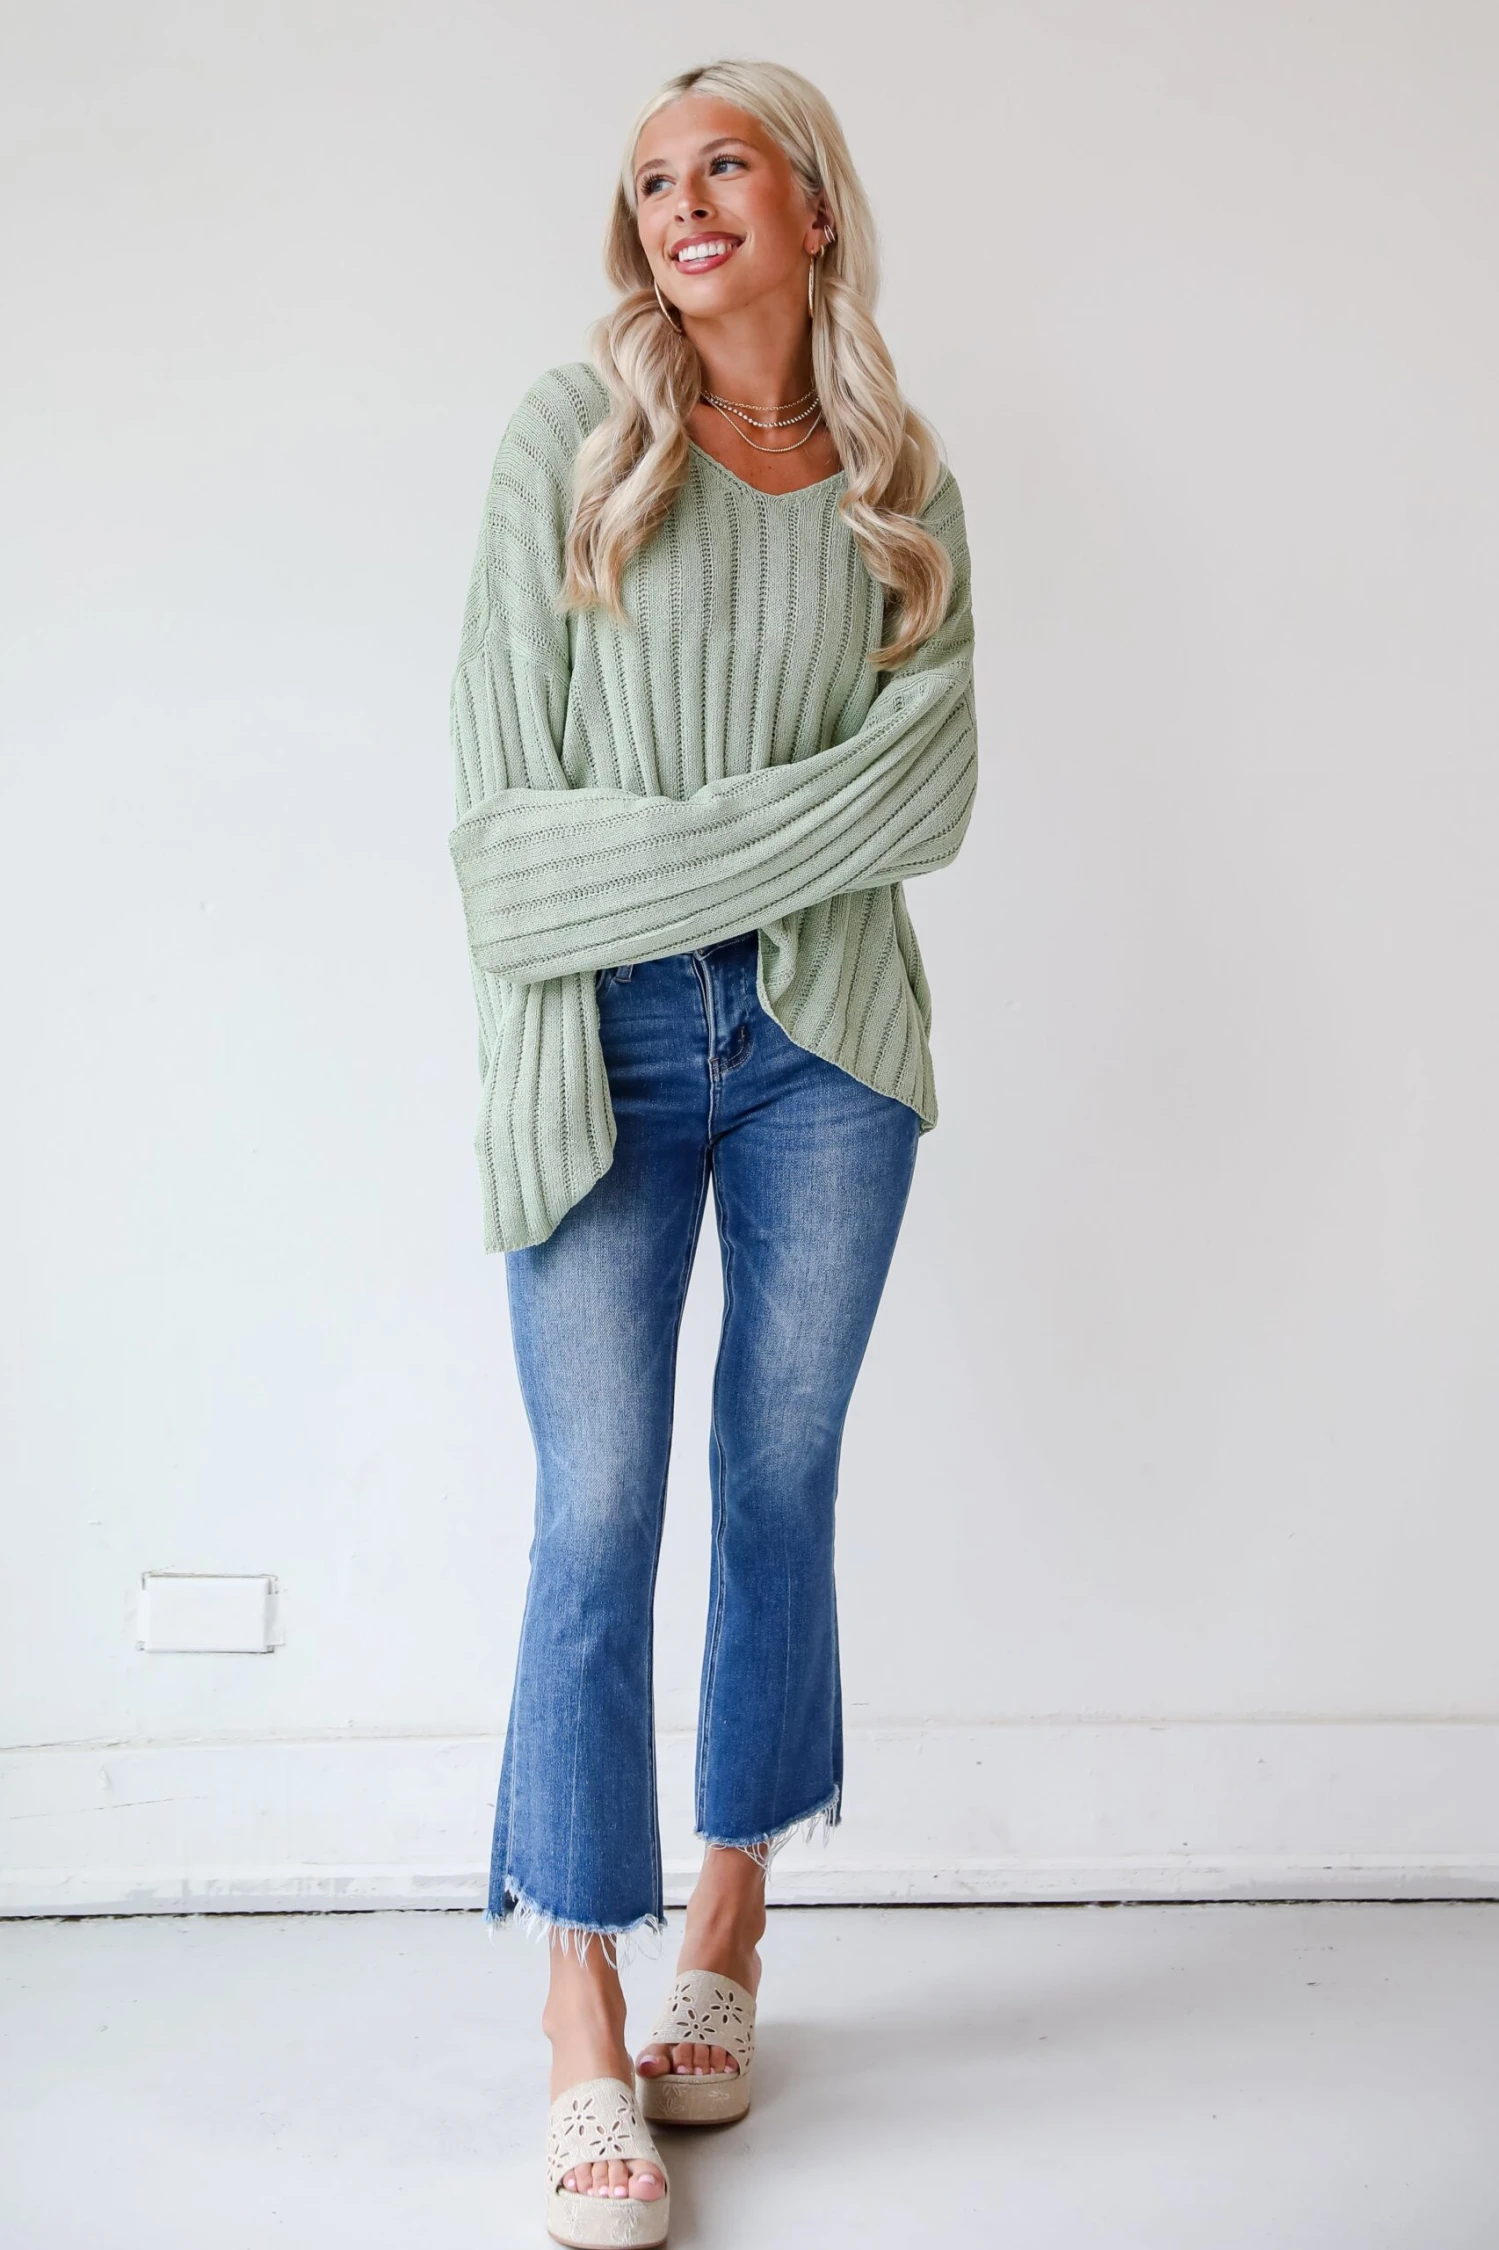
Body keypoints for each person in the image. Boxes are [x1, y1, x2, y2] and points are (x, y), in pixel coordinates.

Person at [447, 54, 978, 2245]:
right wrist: (775, 837)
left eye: (723, 162)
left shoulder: (899, 484)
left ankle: (727, 1934)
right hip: (597, 1053)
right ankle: (577, 2007)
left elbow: (931, 797)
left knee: (777, 1483)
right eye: (652, 178)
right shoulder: (569, 445)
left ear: (813, 206)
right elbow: (508, 862)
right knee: (594, 1510)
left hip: (825, 1047)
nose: (682, 201)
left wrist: (655, 848)